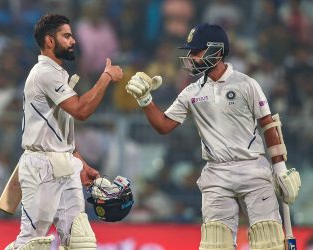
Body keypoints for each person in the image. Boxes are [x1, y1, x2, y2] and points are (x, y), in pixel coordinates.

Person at [125, 23, 301, 250]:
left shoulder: (246, 84)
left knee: (269, 242)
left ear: (216, 51)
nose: (190, 57)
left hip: (253, 169)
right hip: (216, 173)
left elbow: (268, 125)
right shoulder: (191, 91)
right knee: (214, 245)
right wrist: (146, 100)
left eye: (196, 51)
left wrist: (280, 170)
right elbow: (163, 125)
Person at [5, 14, 123, 250]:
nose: (73, 41)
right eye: (66, 36)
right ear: (50, 41)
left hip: (64, 164)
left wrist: (80, 162)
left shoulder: (59, 74)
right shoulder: (44, 73)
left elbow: (60, 131)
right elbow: (81, 110)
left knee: (81, 242)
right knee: (32, 243)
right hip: (40, 166)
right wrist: (107, 77)